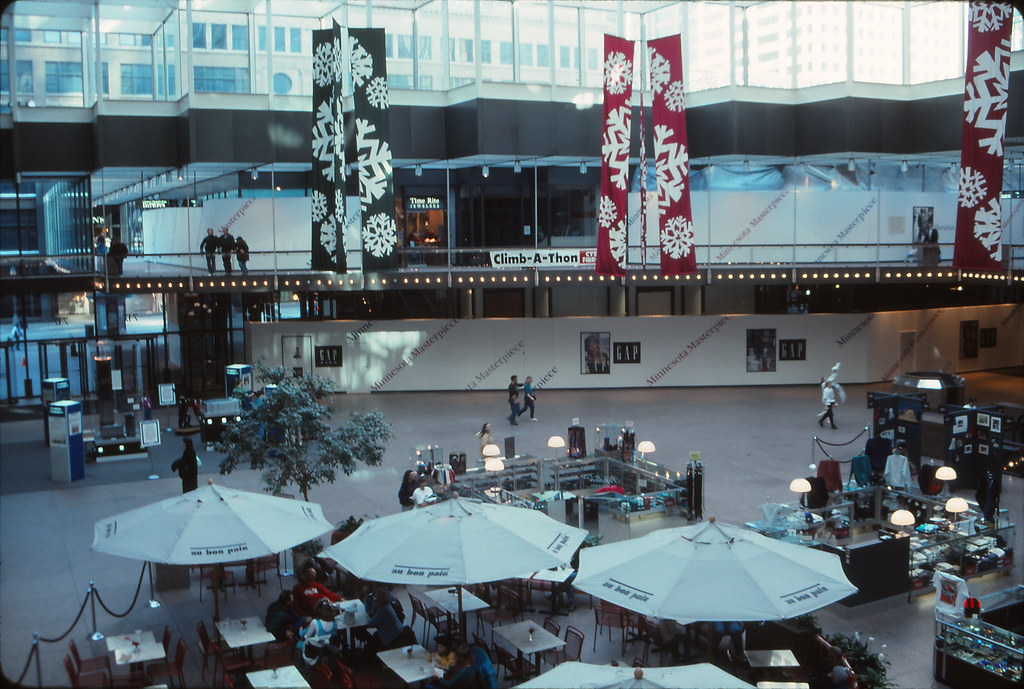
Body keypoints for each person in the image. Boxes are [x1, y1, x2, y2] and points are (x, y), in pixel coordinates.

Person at [296, 599, 344, 667]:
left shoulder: (315, 622)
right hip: (328, 648)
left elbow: (307, 637)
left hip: (317, 649)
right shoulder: (334, 622)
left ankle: (301, 667)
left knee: (298, 645)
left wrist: (300, 631)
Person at [817, 362, 843, 430]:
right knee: (830, 413)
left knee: (829, 413)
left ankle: (822, 421)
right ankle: (831, 424)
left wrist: (834, 402)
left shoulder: (830, 389)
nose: (826, 378)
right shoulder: (824, 386)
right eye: (825, 378)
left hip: (830, 401)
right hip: (827, 401)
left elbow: (832, 396)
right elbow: (826, 398)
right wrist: (834, 371)